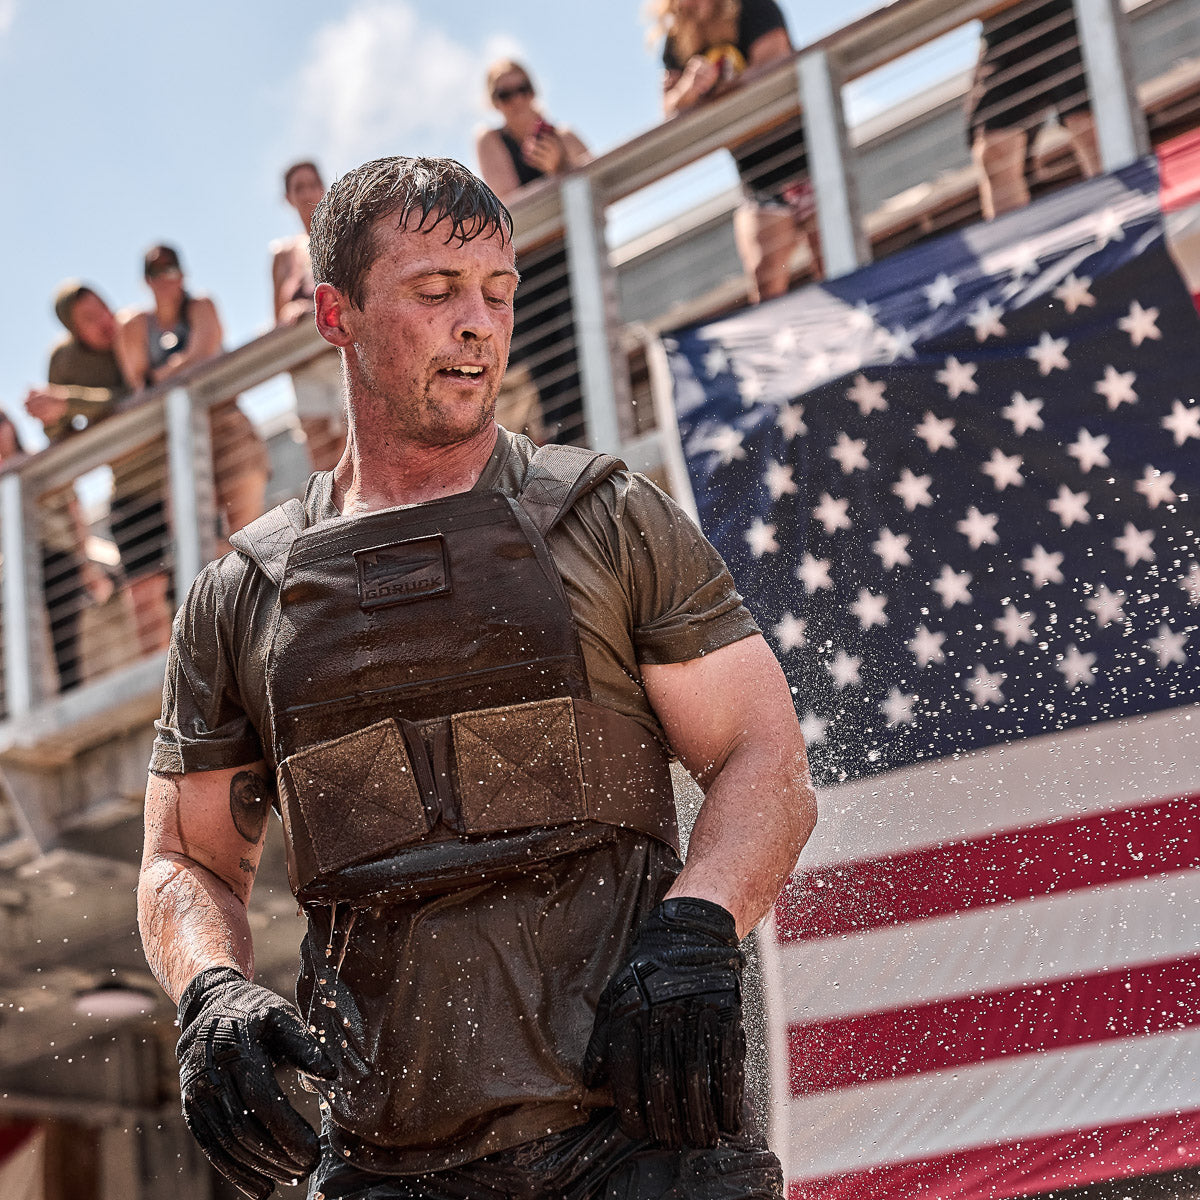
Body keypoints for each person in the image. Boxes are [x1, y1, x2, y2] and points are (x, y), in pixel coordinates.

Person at [138, 156, 814, 1200]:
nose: (478, 324)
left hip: (643, 1148)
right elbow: (185, 858)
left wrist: (701, 921)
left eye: (497, 293)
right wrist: (211, 991)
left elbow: (765, 756)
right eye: (435, 291)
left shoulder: (608, 517)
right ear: (337, 315)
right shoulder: (243, 593)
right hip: (386, 1167)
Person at [25, 281, 171, 656]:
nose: (105, 320)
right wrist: (49, 409)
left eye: (103, 308)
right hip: (130, 490)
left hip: (173, 475)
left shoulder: (133, 330)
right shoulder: (65, 360)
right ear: (73, 329)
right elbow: (57, 430)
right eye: (89, 318)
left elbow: (134, 396)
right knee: (143, 597)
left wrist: (70, 401)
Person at [653, 0, 821, 302]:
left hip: (809, 156)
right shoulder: (677, 39)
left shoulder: (753, 7)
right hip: (757, 176)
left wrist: (711, 92)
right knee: (766, 281)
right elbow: (669, 113)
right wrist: (689, 89)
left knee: (835, 265)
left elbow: (773, 63)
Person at [118, 244, 270, 549]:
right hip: (177, 442)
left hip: (228, 428)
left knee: (249, 534)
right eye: (155, 272)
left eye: (170, 269)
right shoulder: (134, 323)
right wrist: (178, 368)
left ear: (183, 274)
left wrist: (160, 375)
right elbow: (138, 382)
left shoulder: (201, 305)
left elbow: (202, 355)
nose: (164, 279)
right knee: (199, 543)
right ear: (145, 281)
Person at [476, 60, 590, 442]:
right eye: (505, 94)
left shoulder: (564, 136)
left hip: (576, 262)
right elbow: (510, 205)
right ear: (495, 102)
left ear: (534, 89)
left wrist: (562, 165)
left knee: (587, 355)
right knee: (552, 372)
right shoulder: (491, 141)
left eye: (522, 89)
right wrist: (558, 172)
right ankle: (567, 457)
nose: (517, 101)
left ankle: (589, 447)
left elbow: (596, 183)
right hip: (532, 276)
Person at [967, 0, 1100, 219]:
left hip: (1063, 11)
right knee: (995, 150)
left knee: (1090, 126)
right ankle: (1014, 248)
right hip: (1000, 23)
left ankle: (1129, 231)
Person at [271, 161, 347, 472]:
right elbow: (278, 315)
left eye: (312, 184)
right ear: (287, 197)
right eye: (298, 187)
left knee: (355, 451)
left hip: (342, 358)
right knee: (324, 467)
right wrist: (290, 312)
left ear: (324, 185)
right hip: (306, 370)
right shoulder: (282, 254)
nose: (306, 193)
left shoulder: (342, 235)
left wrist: (311, 309)